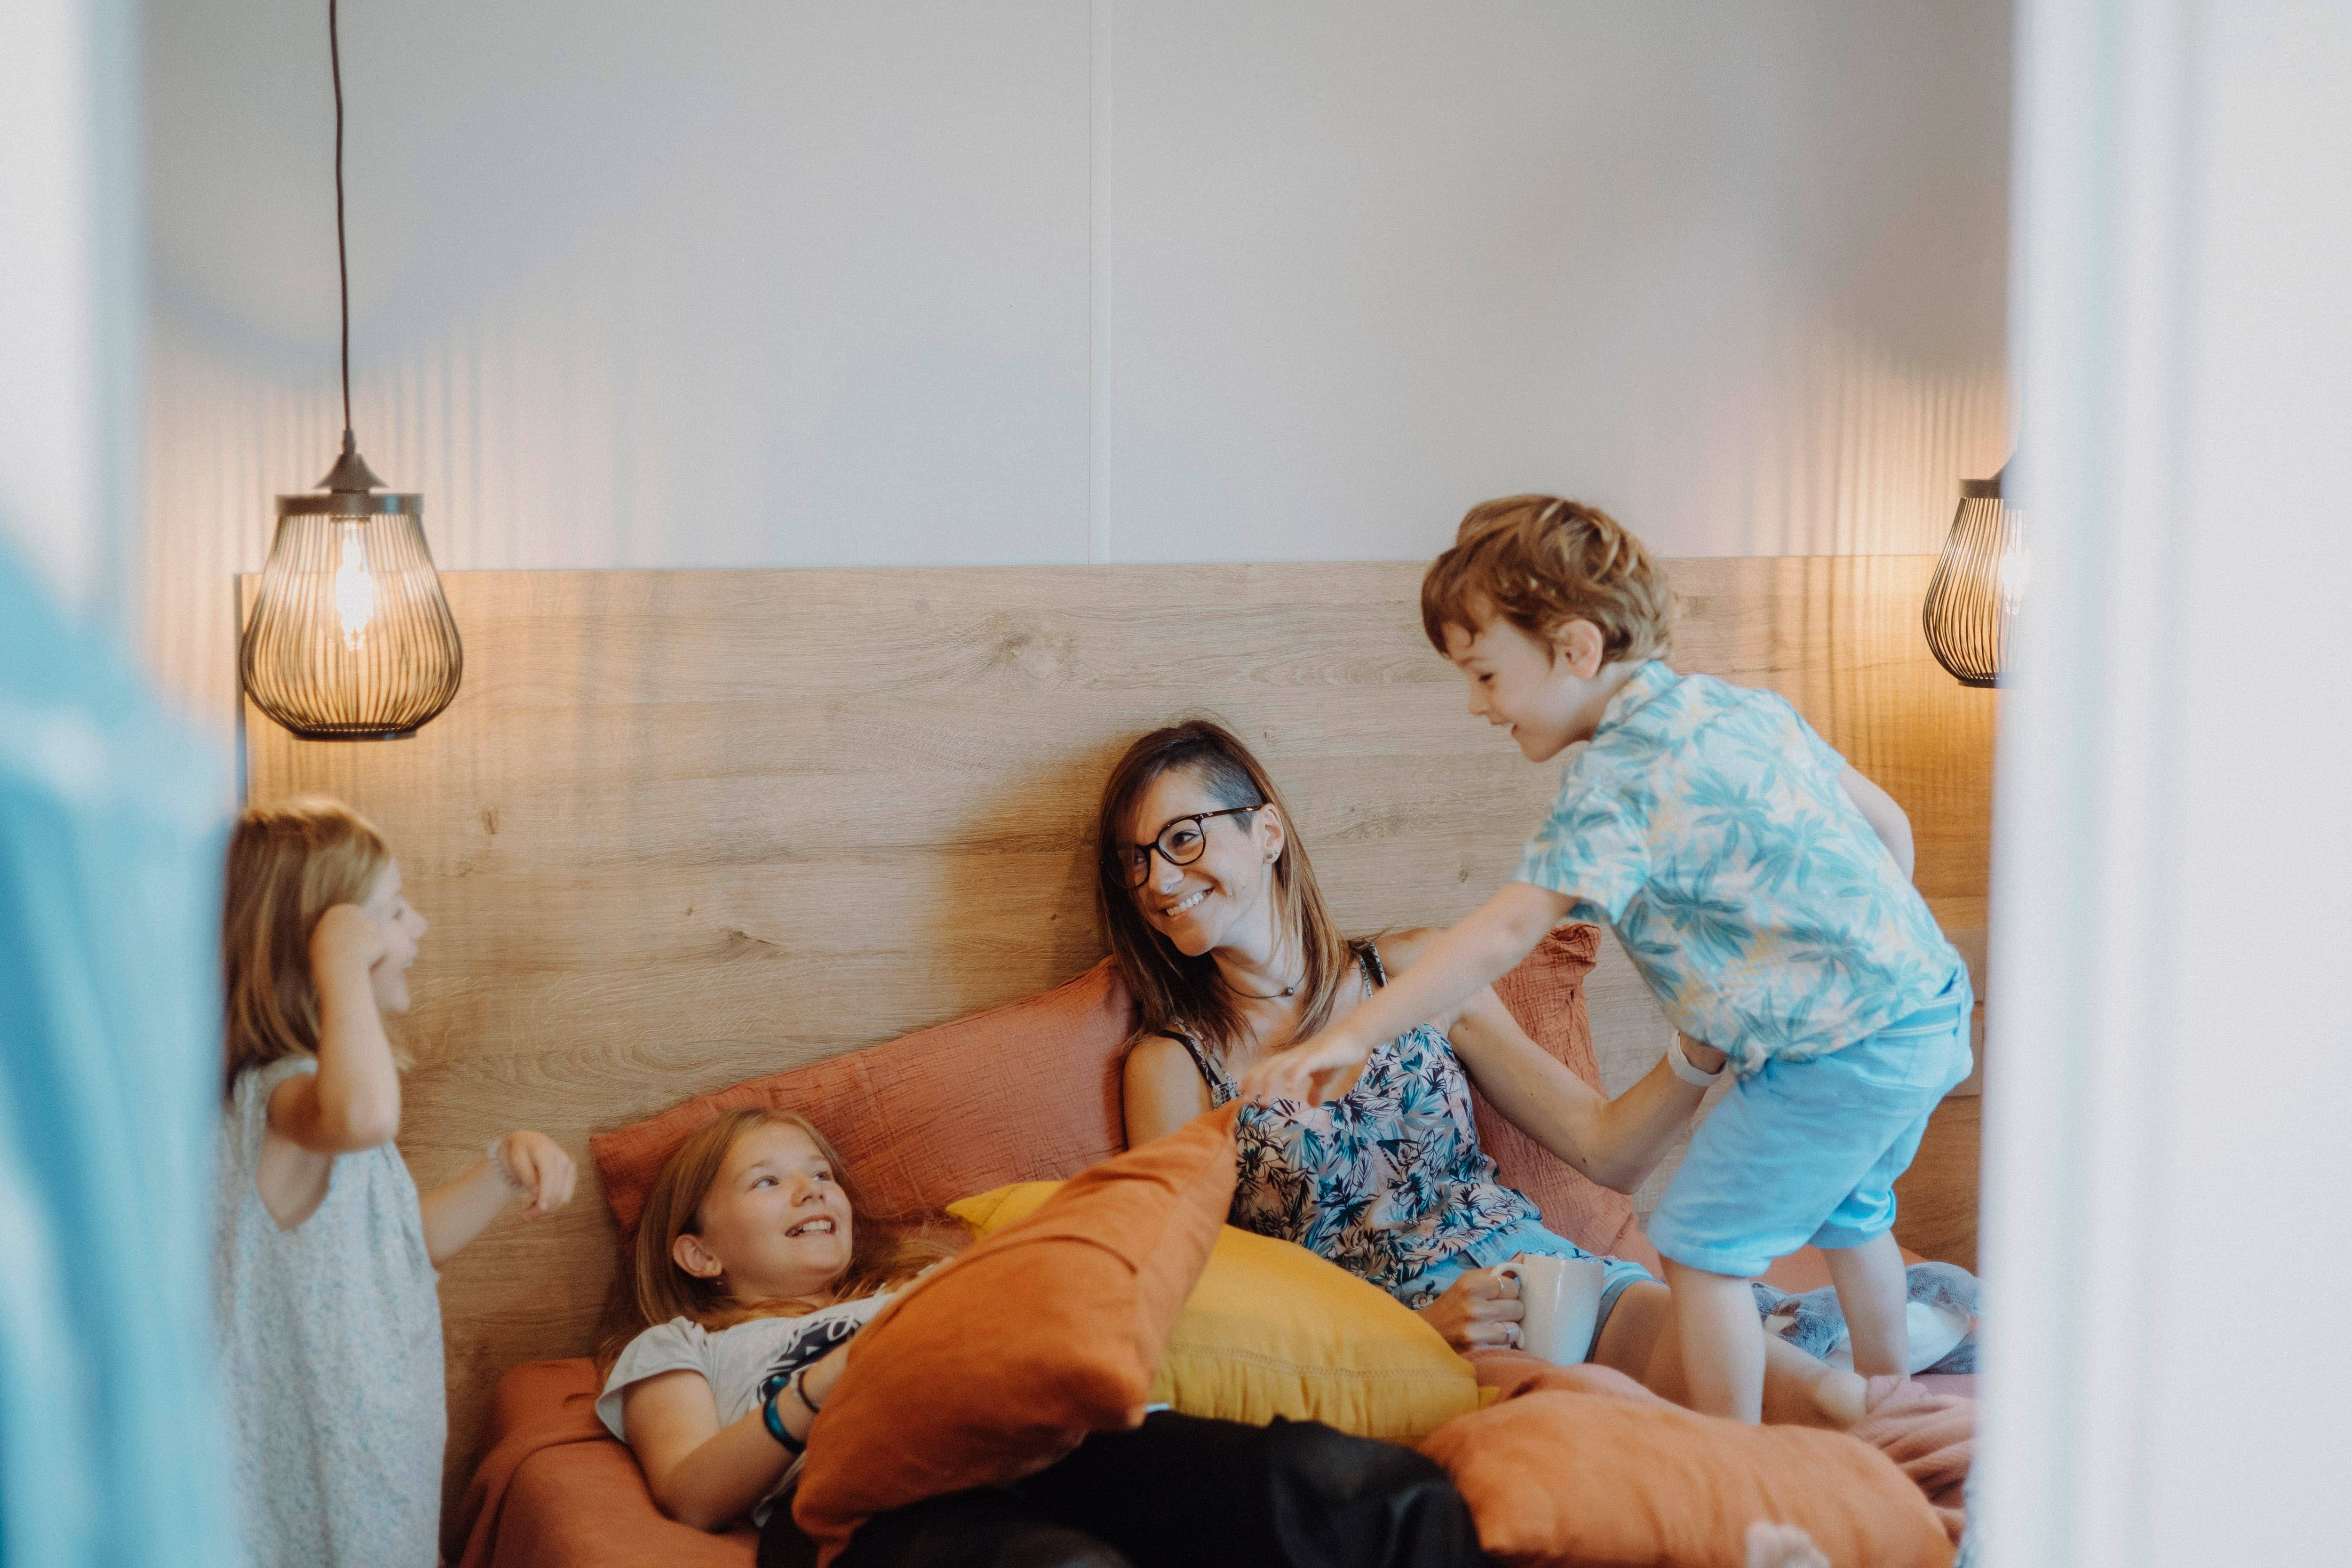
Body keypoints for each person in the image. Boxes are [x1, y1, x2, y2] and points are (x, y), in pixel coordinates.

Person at [1242, 495, 1972, 1422]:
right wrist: (1863, 963)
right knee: (1854, 1212)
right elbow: (1889, 829)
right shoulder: (1738, 706)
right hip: (1926, 1007)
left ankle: (1732, 1461)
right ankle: (1894, 1405)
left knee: (1701, 1247)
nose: (1476, 705)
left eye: (1485, 674)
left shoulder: (1616, 782)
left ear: (1576, 649)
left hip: (1829, 1051)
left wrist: (1351, 1035)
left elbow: (1500, 935)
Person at [1108, 719, 1868, 1430]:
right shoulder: (1172, 1065)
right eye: (1136, 860)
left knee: (1830, 1400)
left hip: (1557, 1283)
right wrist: (1406, 1329)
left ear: (1267, 832)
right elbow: (1202, 1296)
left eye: (1183, 838)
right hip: (1399, 1356)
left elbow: (1608, 1148)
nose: (1158, 880)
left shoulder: (1413, 971)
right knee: (1619, 1439)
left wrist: (1701, 1047)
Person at [602, 1107, 1495, 1568]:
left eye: (821, 1174)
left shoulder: (927, 1277)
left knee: (1361, 1490)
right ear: (699, 1251)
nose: (812, 1191)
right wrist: (832, 1378)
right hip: (872, 1503)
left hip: (1057, 1444)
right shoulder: (683, 1343)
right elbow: (691, 1492)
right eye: (767, 1181)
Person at [215, 797, 577, 1567]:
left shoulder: (320, 1104)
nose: (420, 928)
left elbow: (397, 1247)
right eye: (395, 912)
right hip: (321, 1486)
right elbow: (369, 1114)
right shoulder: (284, 1100)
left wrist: (502, 1167)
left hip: (370, 1458)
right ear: (323, 945)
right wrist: (343, 964)